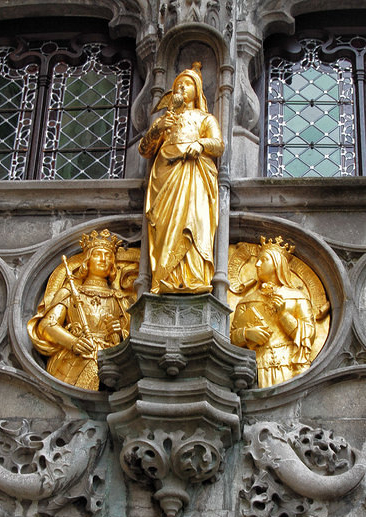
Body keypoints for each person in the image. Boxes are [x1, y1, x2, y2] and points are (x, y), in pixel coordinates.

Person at [139, 62, 224, 294]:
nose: (182, 89)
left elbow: (218, 145)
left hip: (194, 173)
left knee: (193, 221)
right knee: (167, 228)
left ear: (197, 90)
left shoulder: (205, 119)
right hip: (166, 177)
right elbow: (145, 150)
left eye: (187, 84)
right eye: (177, 86)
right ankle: (163, 278)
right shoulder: (166, 120)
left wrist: (200, 144)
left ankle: (194, 277)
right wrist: (157, 129)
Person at [28, 229, 130, 390]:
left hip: (109, 360)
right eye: (97, 254)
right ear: (87, 260)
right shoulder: (69, 292)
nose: (103, 260)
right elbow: (47, 325)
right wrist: (73, 342)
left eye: (108, 256)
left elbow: (131, 341)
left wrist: (117, 334)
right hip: (75, 355)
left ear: (113, 263)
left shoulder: (119, 300)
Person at [230, 237, 316, 388]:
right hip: (253, 368)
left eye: (263, 260)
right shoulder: (247, 301)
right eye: (257, 260)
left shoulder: (297, 298)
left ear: (277, 263)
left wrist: (284, 316)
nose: (257, 264)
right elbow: (232, 336)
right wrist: (246, 334)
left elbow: (307, 335)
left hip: (288, 364)